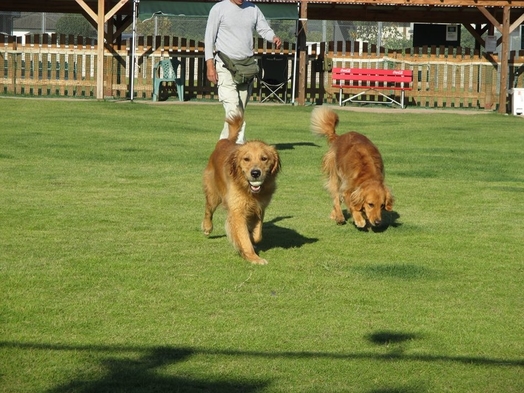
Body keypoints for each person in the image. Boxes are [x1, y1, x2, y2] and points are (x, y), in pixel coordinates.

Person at [205, 0, 281, 144]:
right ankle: (239, 148)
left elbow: (264, 28)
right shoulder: (219, 9)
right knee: (233, 109)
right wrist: (210, 65)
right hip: (225, 64)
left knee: (238, 111)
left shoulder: (253, 9)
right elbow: (209, 38)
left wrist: (273, 37)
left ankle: (223, 146)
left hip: (246, 68)